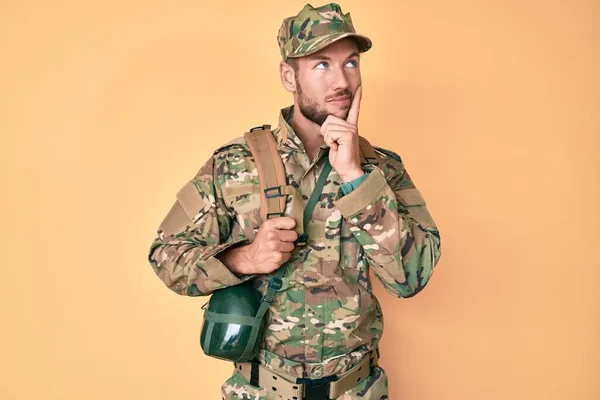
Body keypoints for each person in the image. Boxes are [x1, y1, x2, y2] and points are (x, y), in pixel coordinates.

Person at [147, 3, 442, 399]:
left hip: (356, 391)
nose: (342, 80)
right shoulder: (236, 164)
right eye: (321, 65)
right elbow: (165, 256)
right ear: (289, 75)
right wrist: (244, 258)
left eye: (351, 63)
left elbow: (412, 277)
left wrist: (356, 177)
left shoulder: (381, 169)